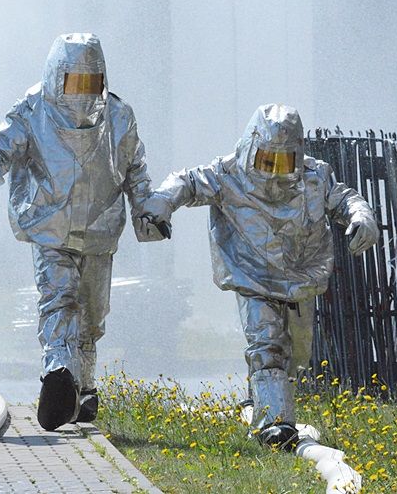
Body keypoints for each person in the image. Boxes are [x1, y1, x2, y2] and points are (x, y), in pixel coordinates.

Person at [0, 32, 169, 431]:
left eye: (91, 82)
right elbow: (1, 148)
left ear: (103, 79)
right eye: (74, 82)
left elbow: (135, 168)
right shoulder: (32, 110)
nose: (82, 92)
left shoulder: (120, 117)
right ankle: (57, 374)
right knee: (58, 302)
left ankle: (82, 390)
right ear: (56, 77)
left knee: (92, 316)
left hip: (100, 231)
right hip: (49, 228)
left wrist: (147, 210)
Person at [141, 103, 379, 450]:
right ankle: (276, 425)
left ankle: (259, 399)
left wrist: (362, 217)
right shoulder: (228, 174)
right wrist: (161, 203)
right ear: (252, 149)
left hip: (301, 276)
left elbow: (344, 198)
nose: (275, 173)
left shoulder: (316, 176)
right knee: (267, 344)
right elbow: (187, 182)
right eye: (267, 161)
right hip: (251, 274)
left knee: (295, 354)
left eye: (285, 163)